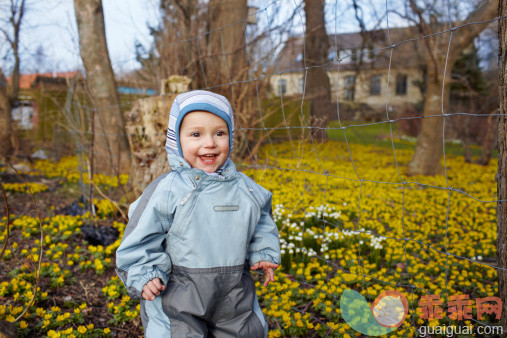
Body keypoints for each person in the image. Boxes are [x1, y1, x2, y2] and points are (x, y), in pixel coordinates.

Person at [116, 90, 281, 337]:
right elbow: (140, 237)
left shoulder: (245, 189)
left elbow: (261, 220)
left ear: (231, 138)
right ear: (176, 140)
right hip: (178, 292)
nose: (210, 143)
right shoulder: (167, 190)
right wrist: (146, 272)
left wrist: (263, 251)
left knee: (244, 332)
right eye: (196, 134)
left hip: (235, 292)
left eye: (219, 133)